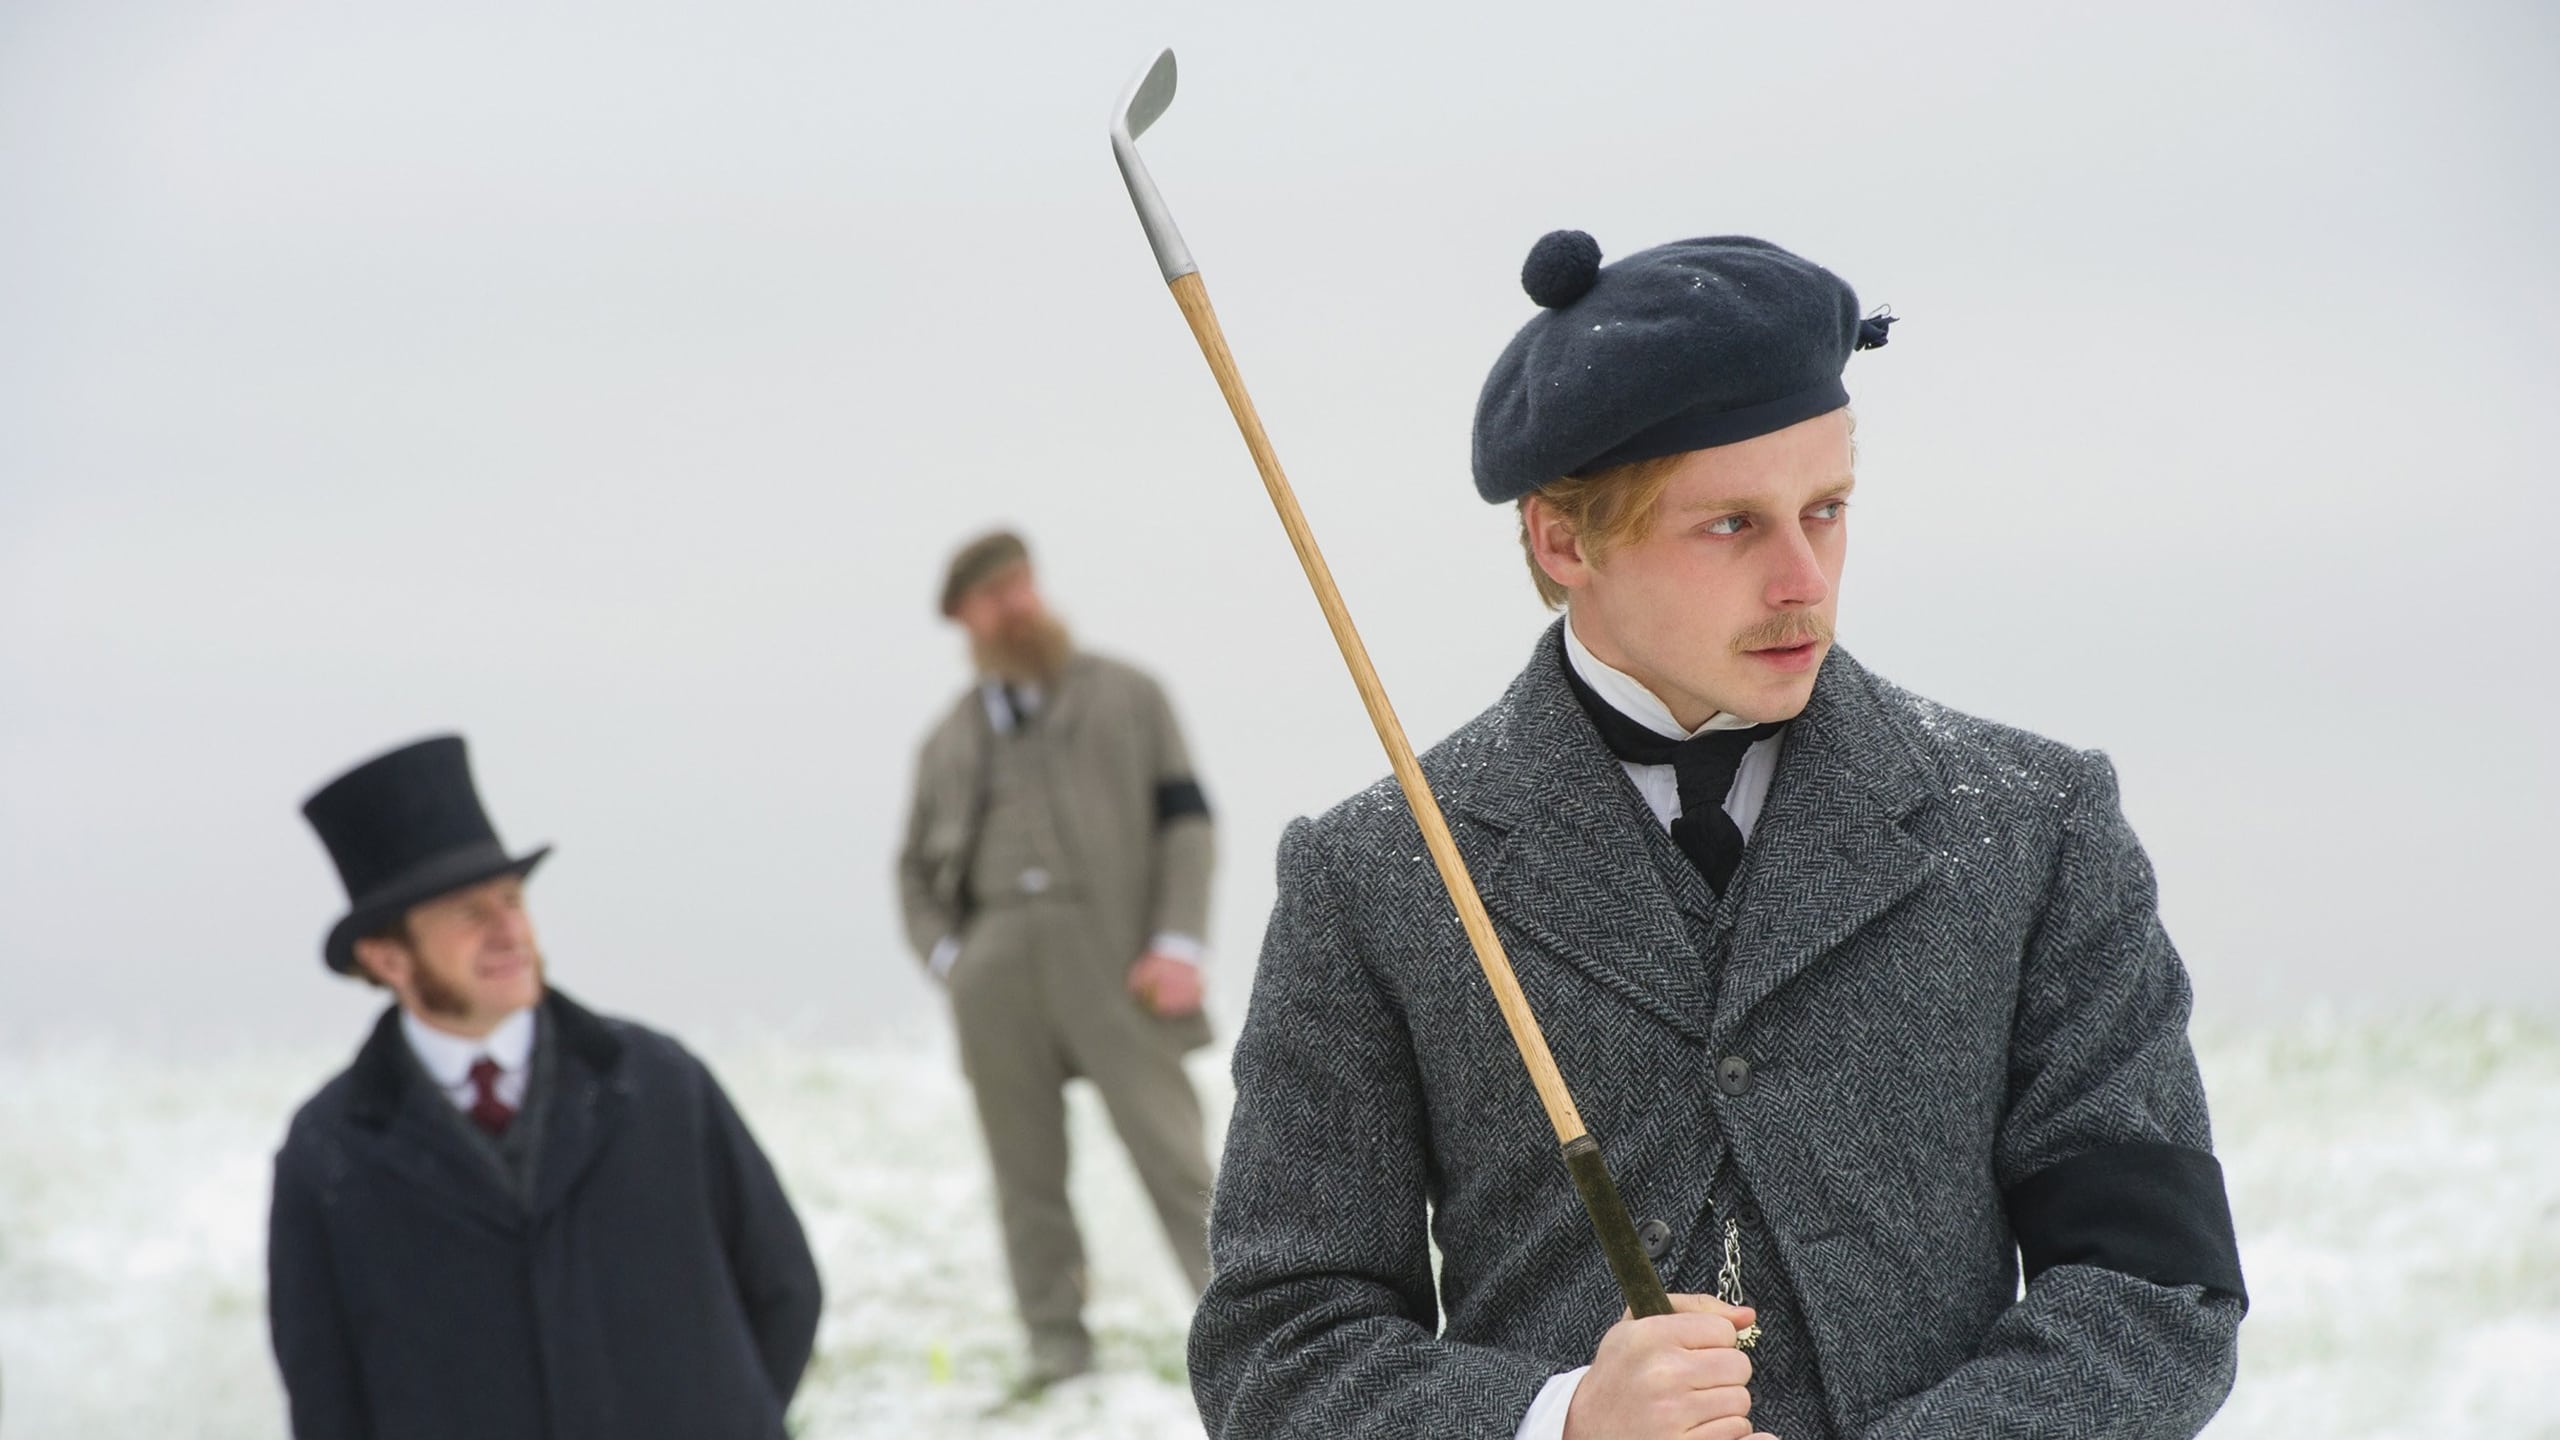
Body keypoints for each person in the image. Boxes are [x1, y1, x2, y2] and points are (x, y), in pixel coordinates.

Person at [1189, 232, 2246, 1439]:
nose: (1803, 579)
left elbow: (2153, 1288)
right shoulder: (1375, 875)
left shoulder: (2036, 825)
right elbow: (1278, 1352)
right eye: (1733, 525)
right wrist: (1559, 1419)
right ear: (1563, 541)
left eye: (1826, 511)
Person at [268, 734, 822, 1440]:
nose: (509, 931)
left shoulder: (661, 1085)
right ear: (388, 958)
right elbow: (325, 1397)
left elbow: (784, 1290)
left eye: (512, 900)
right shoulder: (329, 1152)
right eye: (469, 913)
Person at [896, 529, 1220, 1389]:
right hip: (995, 974)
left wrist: (1177, 942)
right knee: (1025, 1175)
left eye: (1022, 586)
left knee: (1177, 1159)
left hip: (1117, 960)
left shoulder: (1130, 696)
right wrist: (952, 960)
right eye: (993, 596)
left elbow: (1187, 823)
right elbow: (911, 871)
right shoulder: (945, 742)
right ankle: (1056, 1350)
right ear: (963, 618)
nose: (1016, 607)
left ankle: (1249, 1330)